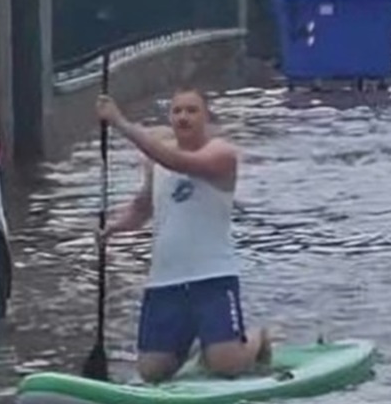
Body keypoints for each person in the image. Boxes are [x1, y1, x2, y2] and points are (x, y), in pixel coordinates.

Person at [95, 85, 271, 384]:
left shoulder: (222, 155)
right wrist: (113, 228)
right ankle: (198, 345)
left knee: (226, 364)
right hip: (166, 280)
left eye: (192, 110)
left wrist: (121, 123)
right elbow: (143, 206)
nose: (183, 117)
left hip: (213, 277)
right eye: (177, 111)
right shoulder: (155, 162)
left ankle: (257, 339)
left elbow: (178, 162)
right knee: (152, 372)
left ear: (206, 117)